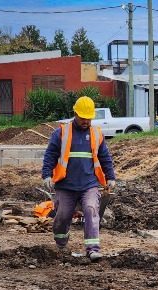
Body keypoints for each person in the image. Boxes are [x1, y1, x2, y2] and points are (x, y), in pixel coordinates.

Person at [41, 96, 116, 262]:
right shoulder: (61, 132)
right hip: (65, 185)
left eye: (89, 119)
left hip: (89, 184)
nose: (86, 121)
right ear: (75, 113)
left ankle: (93, 249)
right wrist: (46, 174)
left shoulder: (96, 134)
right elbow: (50, 155)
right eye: (83, 118)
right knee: (62, 215)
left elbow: (105, 157)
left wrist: (110, 176)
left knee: (91, 208)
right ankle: (61, 241)